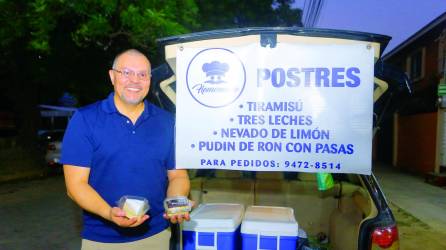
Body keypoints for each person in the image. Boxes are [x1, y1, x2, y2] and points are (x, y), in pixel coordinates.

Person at [61, 49, 190, 250]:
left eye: (142, 74)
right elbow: (75, 186)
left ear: (150, 79)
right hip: (102, 239)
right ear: (112, 76)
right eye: (126, 72)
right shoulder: (85, 120)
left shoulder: (167, 122)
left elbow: (178, 177)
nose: (135, 80)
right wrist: (109, 213)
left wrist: (176, 202)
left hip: (157, 235)